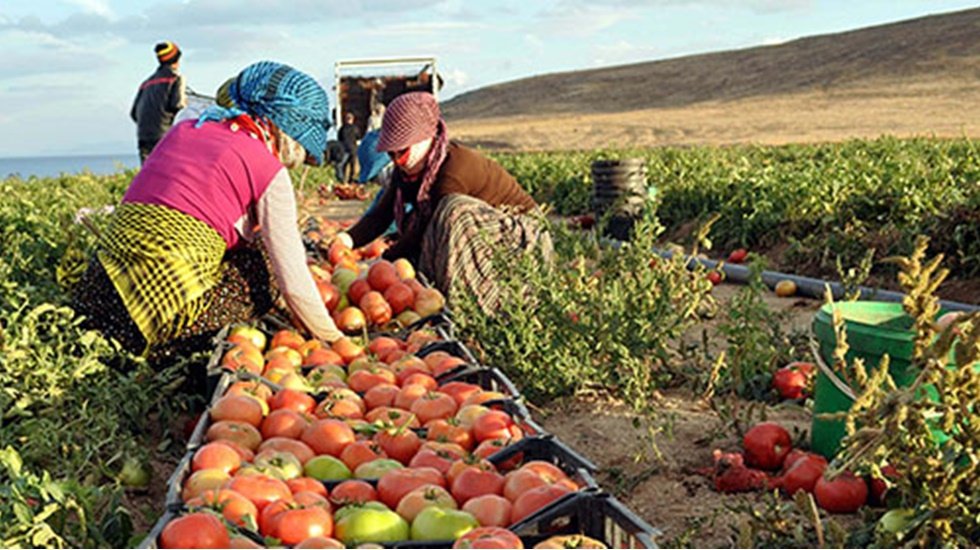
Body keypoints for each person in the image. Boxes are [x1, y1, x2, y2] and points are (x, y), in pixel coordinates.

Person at [74, 61, 344, 358]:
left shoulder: (184, 130)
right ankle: (173, 350)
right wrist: (334, 339)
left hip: (97, 301)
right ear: (288, 132)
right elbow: (291, 280)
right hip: (155, 325)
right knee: (265, 264)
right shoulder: (266, 168)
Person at [341, 92, 552, 312]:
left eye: (402, 151)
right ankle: (432, 295)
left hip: (520, 239)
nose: (397, 160)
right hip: (481, 235)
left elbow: (427, 227)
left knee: (452, 210)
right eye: (391, 154)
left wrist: (381, 263)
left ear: (426, 138)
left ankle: (479, 305)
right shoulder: (408, 171)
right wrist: (345, 240)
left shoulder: (454, 168)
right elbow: (381, 214)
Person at [131, 41, 188, 164]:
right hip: (164, 137)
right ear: (177, 59)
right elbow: (177, 105)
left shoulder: (145, 84)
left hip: (144, 136)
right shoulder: (176, 79)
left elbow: (134, 114)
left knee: (148, 175)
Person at [337, 112, 361, 183]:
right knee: (352, 165)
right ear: (352, 120)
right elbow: (358, 137)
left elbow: (339, 138)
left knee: (343, 165)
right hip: (353, 149)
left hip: (344, 149)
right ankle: (351, 180)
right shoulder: (355, 128)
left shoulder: (342, 128)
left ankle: (343, 180)